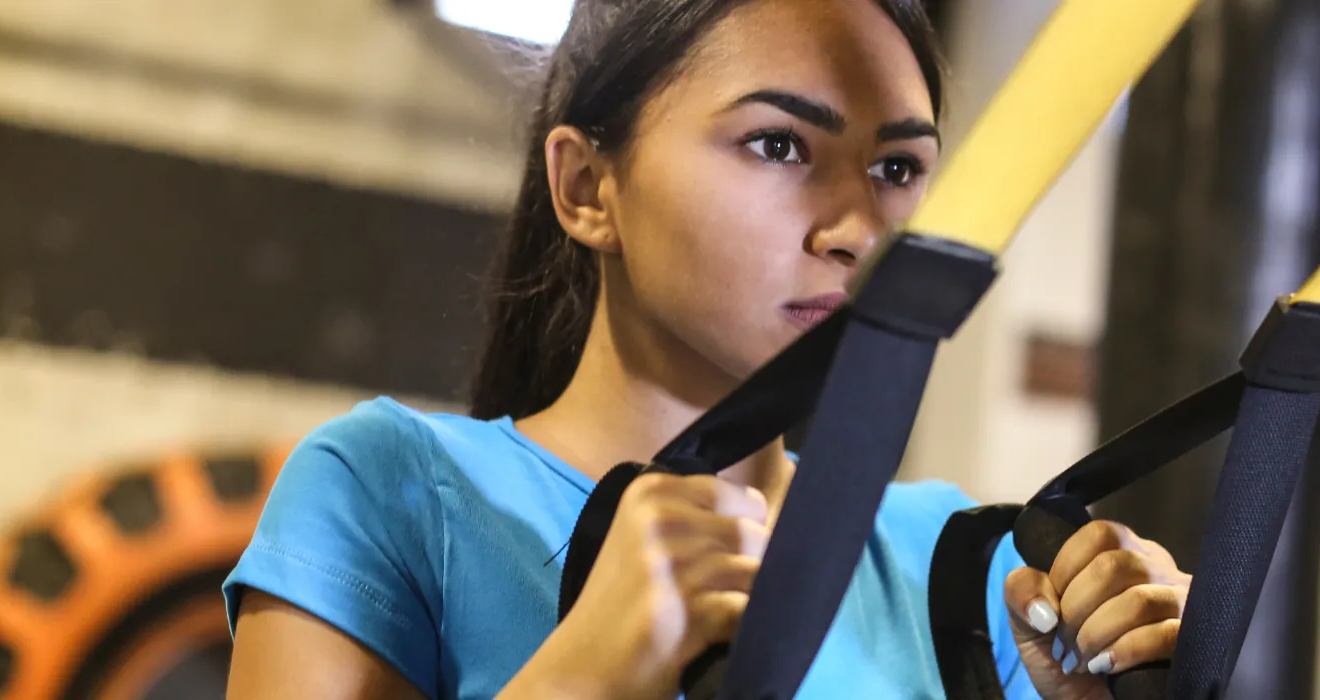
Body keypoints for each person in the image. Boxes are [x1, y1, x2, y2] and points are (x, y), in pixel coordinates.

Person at [222, 1, 1192, 698]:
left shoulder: (964, 568)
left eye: (898, 167)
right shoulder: (393, 490)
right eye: (777, 145)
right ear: (588, 188)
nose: (856, 227)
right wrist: (585, 676)